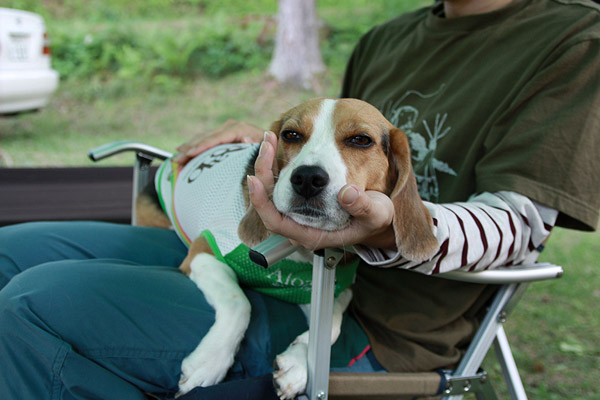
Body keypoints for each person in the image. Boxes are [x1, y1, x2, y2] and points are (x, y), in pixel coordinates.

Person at [1, 0, 598, 399]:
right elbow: (328, 144)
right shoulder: (388, 38)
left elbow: (520, 224)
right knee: (11, 250)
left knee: (35, 302)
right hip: (277, 254)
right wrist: (267, 150)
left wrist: (390, 227)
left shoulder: (575, 40)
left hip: (378, 323)